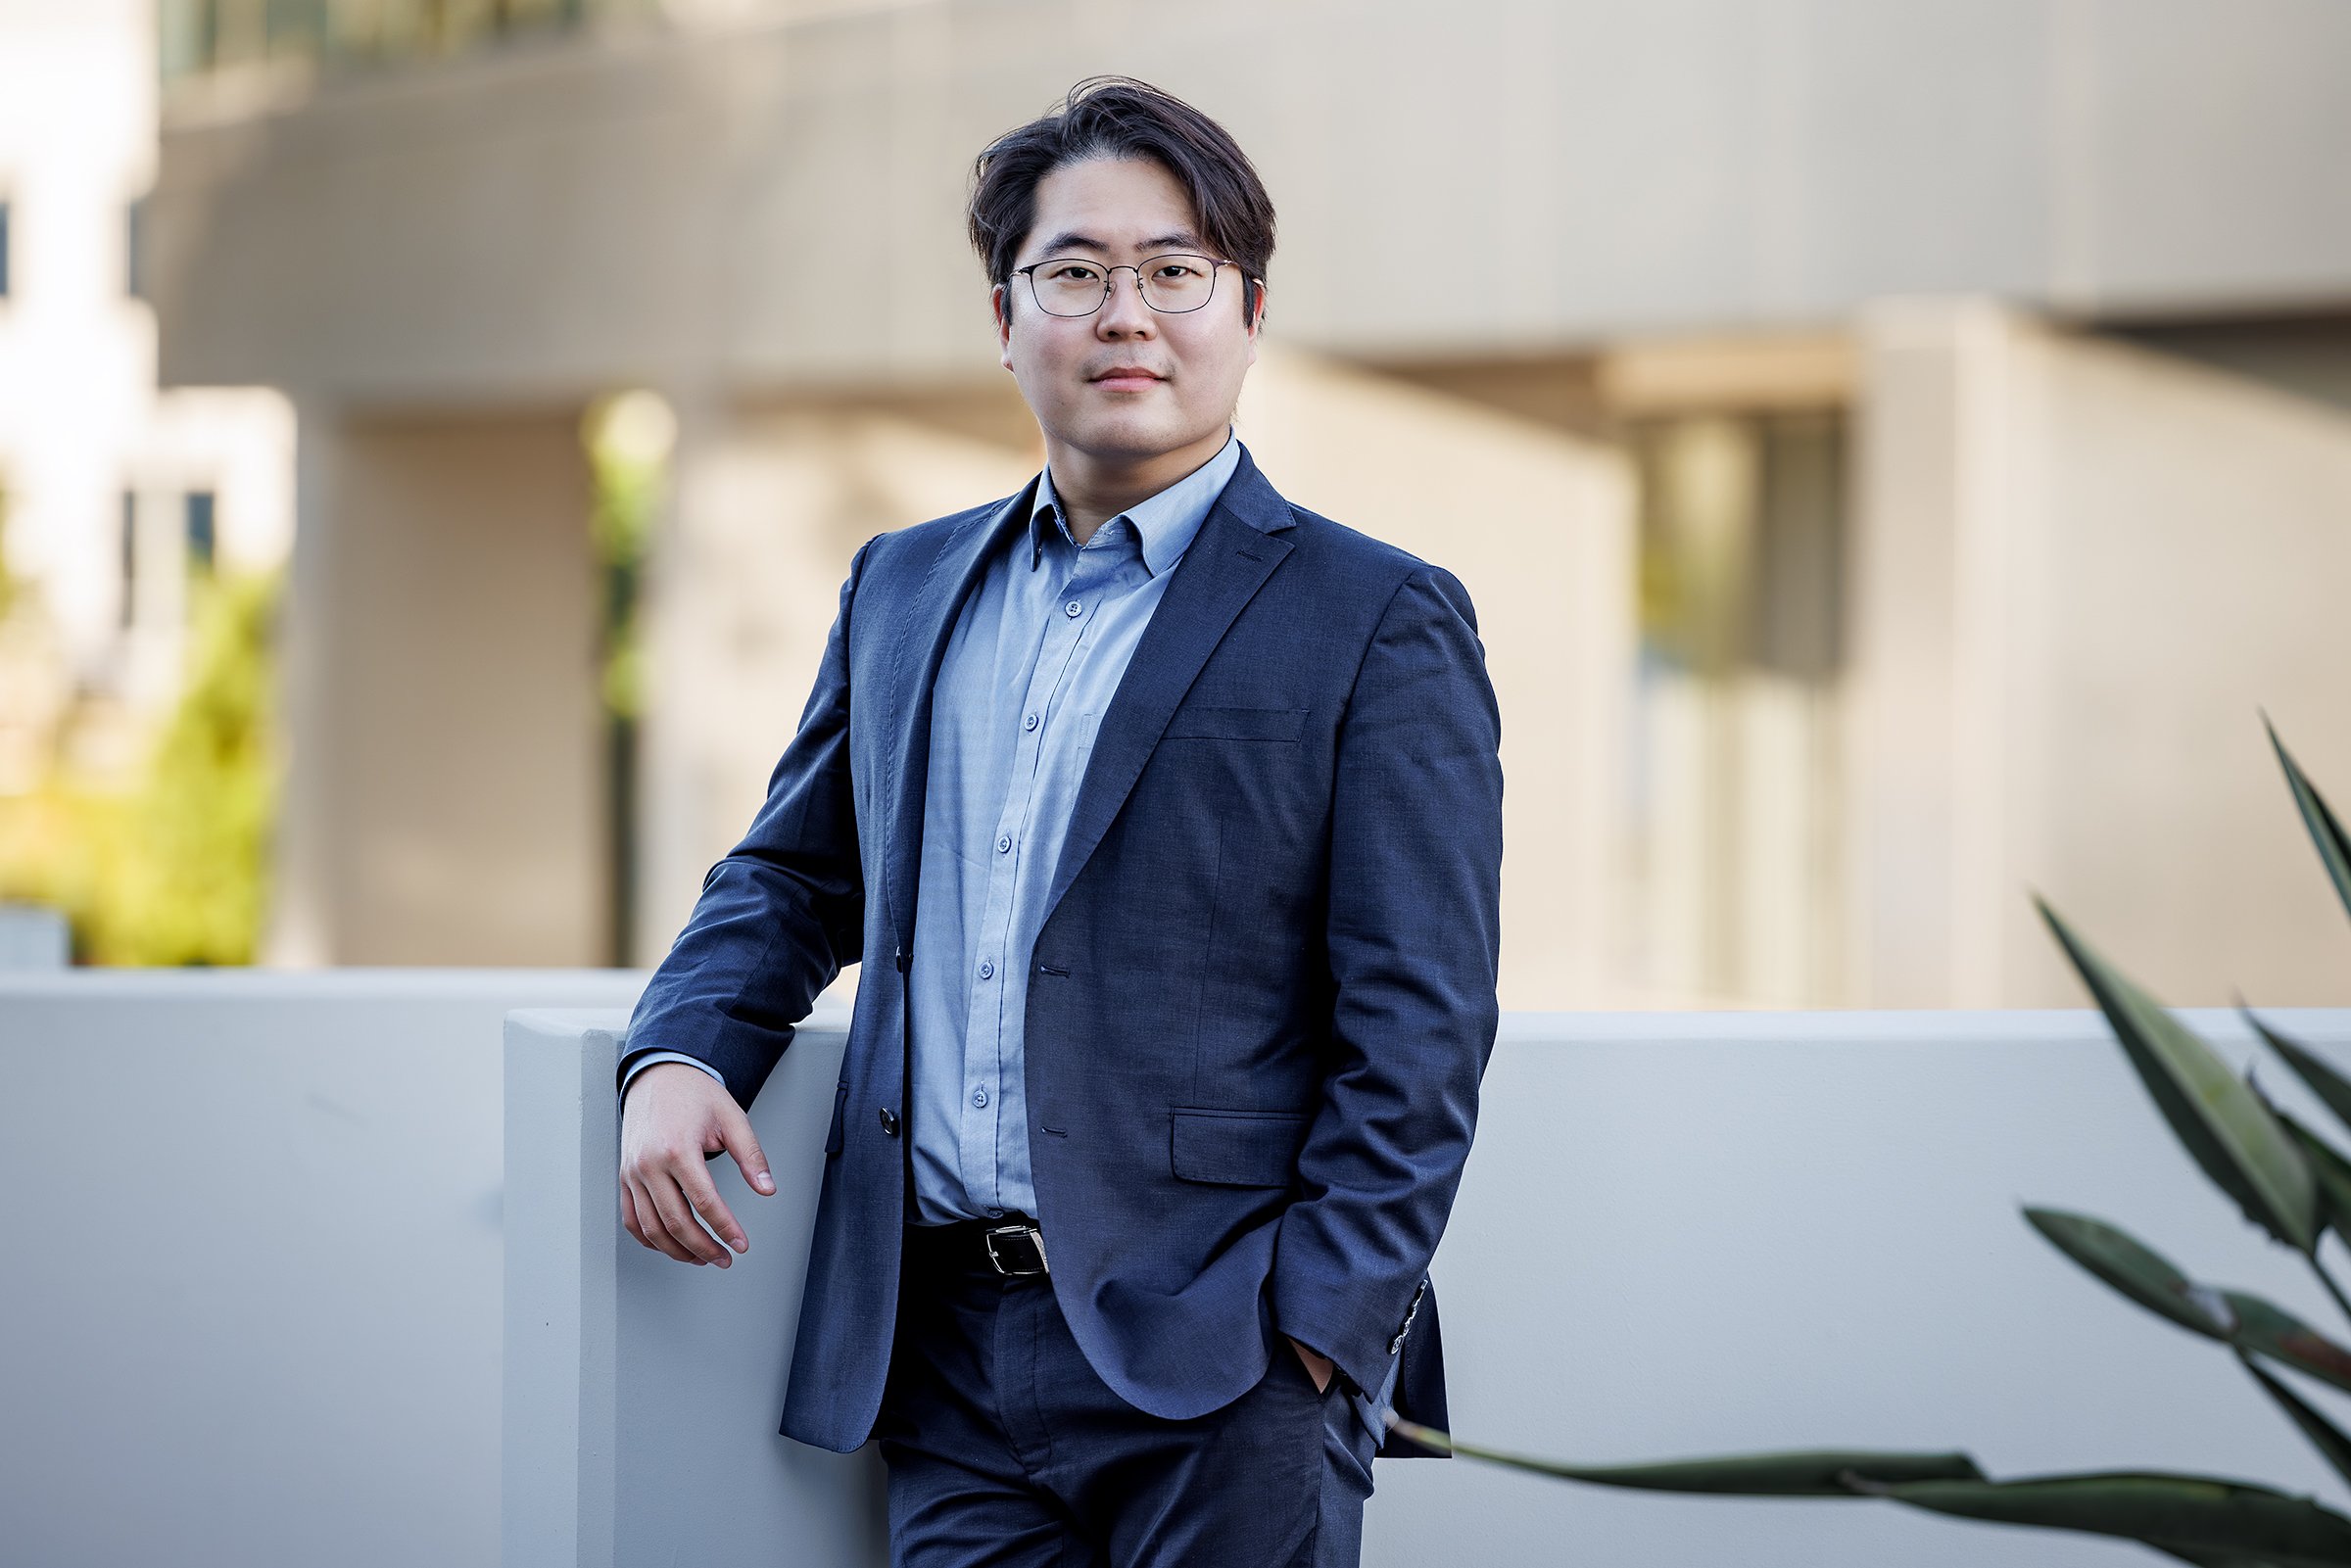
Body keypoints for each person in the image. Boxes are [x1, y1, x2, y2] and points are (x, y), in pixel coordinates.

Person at [615, 75, 1503, 1567]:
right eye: (1075, 273)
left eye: (1176, 271)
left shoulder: (1378, 618)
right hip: (948, 1354)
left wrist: (1318, 1336)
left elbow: (1421, 1020)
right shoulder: (905, 586)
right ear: (1005, 316)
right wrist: (683, 1046)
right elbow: (791, 872)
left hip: (1231, 1365)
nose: (1126, 313)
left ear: (1252, 309)